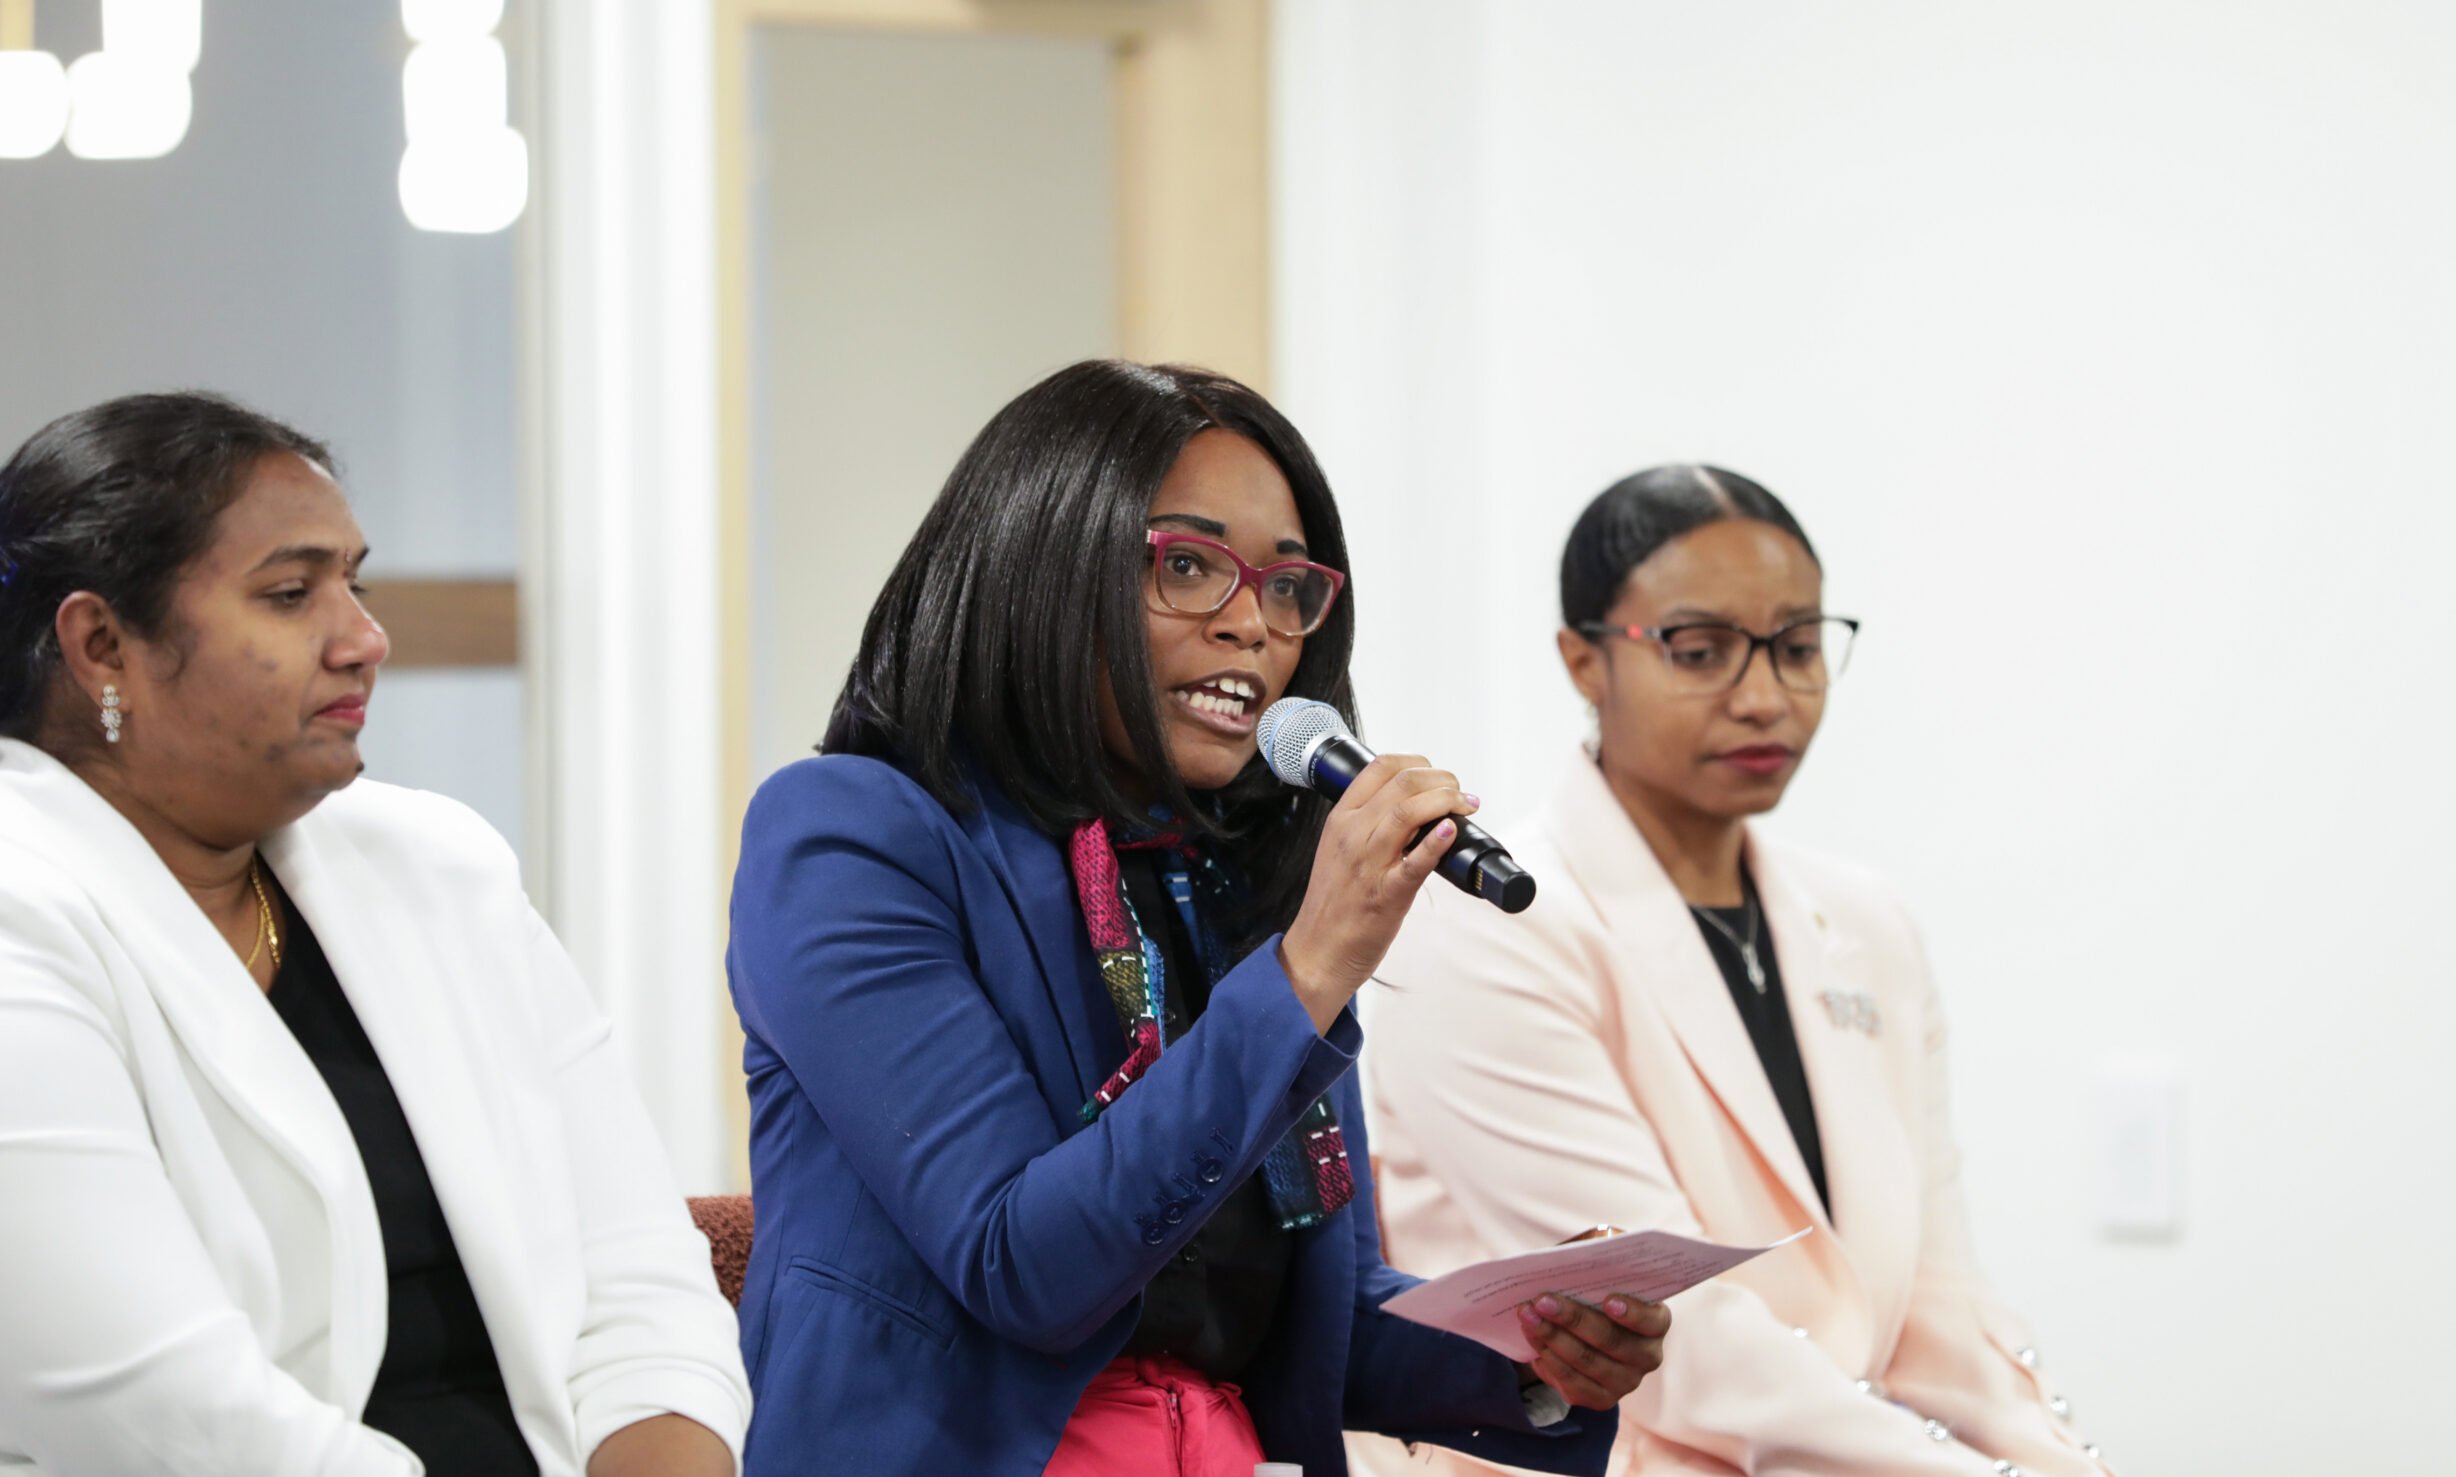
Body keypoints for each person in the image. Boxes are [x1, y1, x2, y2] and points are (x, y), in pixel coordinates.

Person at [726, 360, 1670, 1477]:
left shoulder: (1230, 885)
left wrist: (1531, 1348)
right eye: (1186, 565)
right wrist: (1310, 965)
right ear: (1041, 567)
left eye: (1285, 587)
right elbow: (1021, 1265)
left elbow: (1302, 1325)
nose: (1253, 628)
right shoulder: (849, 835)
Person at [0, 394, 751, 1477]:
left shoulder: (439, 868)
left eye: (358, 582)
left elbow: (640, 1287)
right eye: (293, 593)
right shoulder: (25, 904)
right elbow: (153, 1411)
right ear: (102, 643)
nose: (364, 639)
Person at [1349, 466, 2113, 1477]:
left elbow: (1941, 1307)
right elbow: (1682, 1346)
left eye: (1797, 647)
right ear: (1583, 659)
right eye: (1699, 650)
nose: (1764, 696)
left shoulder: (1867, 924)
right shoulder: (1485, 925)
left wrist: (2055, 1459)